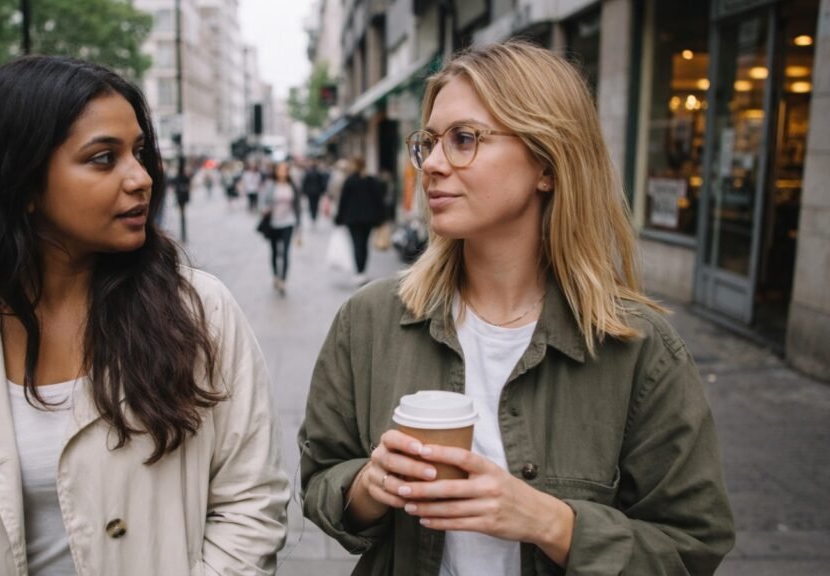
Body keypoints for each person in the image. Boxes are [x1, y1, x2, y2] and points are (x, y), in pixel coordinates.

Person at [0, 55, 289, 575]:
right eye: (104, 158)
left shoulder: (199, 308)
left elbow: (251, 502)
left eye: (139, 153)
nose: (140, 178)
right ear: (23, 181)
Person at [298, 41, 734, 576]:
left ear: (546, 164)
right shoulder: (370, 319)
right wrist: (369, 484)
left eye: (464, 140)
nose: (432, 164)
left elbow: (693, 546)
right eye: (429, 142)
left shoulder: (638, 349)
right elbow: (320, 481)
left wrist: (551, 523)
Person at [335, 156, 384, 285]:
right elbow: (378, 200)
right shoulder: (371, 180)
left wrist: (339, 218)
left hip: (353, 219)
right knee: (364, 245)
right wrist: (380, 218)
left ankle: (359, 272)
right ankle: (362, 271)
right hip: (368, 219)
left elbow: (343, 201)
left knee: (357, 244)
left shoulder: (350, 181)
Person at [259, 161, 302, 296]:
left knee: (285, 252)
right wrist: (264, 209)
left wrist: (299, 226)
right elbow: (263, 201)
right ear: (276, 171)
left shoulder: (292, 186)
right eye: (280, 170)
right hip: (273, 223)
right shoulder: (270, 185)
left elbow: (297, 207)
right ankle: (275, 276)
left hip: (288, 223)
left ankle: (283, 280)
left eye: (285, 170)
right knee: (274, 251)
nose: (283, 172)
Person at [301, 159, 329, 226]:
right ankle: (314, 215)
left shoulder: (309, 173)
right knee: (315, 204)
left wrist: (304, 191)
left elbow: (305, 183)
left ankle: (313, 215)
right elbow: (322, 183)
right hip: (316, 192)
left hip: (311, 192)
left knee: (311, 204)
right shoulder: (318, 173)